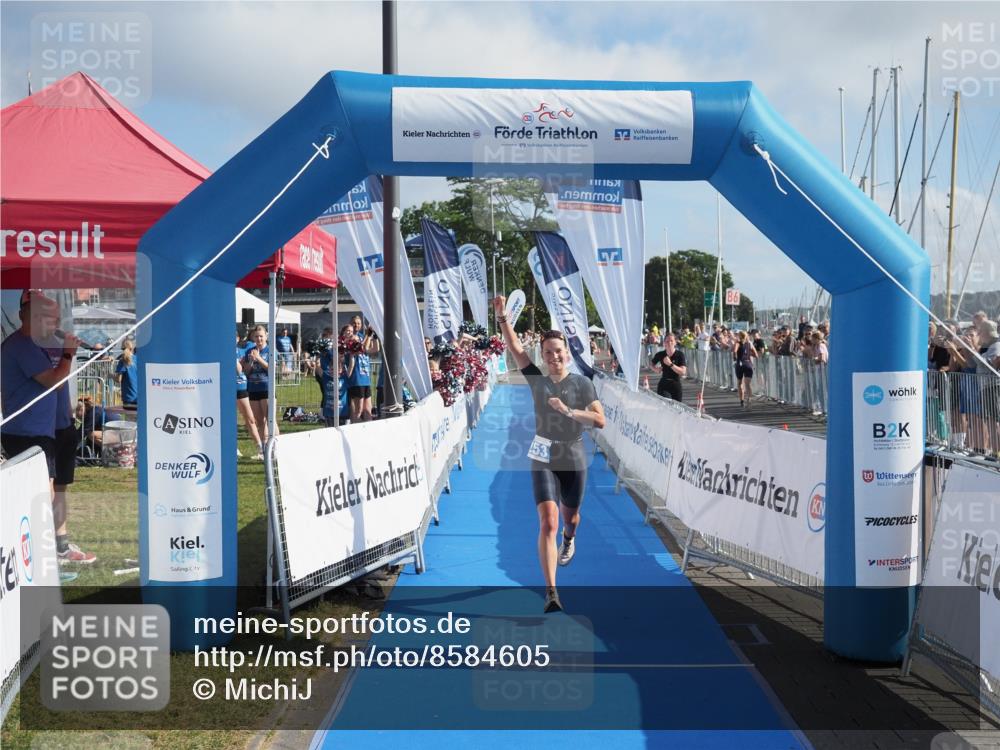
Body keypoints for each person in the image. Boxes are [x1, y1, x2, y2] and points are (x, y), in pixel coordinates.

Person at [493, 295, 606, 613]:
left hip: (573, 457)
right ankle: (551, 591)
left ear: (566, 355)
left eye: (558, 352)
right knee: (548, 522)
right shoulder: (537, 381)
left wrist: (570, 411)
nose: (554, 357)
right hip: (542, 456)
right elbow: (515, 348)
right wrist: (503, 319)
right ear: (542, 357)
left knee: (570, 520)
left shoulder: (582, 384)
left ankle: (571, 538)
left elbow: (600, 420)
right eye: (548, 353)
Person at [1, 291, 96, 564]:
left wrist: (67, 417)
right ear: (23, 315)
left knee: (59, 487)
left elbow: (60, 387)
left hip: (56, 427)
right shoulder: (20, 346)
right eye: (38, 314)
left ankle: (60, 545)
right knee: (43, 490)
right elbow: (53, 381)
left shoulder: (46, 343)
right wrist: (68, 353)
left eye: (50, 316)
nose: (47, 321)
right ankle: (41, 550)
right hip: (27, 432)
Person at [242, 325, 277, 459]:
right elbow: (245, 372)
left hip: (266, 388)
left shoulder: (270, 350)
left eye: (261, 336)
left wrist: (259, 359)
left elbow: (271, 369)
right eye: (256, 336)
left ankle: (276, 449)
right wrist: (250, 361)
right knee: (259, 421)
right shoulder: (250, 351)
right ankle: (263, 450)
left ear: (266, 337)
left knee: (271, 420)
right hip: (253, 388)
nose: (259, 339)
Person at [236, 329, 263, 459]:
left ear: (237, 338)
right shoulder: (221, 349)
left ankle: (260, 448)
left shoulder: (244, 350)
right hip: (226, 388)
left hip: (240, 386)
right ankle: (233, 448)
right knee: (229, 420)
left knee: (250, 419)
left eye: (234, 337)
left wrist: (248, 361)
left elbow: (241, 370)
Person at [651, 333, 687, 402]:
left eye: (671, 341)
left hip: (676, 384)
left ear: (675, 343)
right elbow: (651, 364)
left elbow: (683, 372)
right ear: (664, 343)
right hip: (664, 384)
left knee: (677, 408)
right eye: (667, 341)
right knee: (666, 403)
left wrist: (670, 364)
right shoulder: (660, 354)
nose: (669, 343)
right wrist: (656, 369)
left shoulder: (680, 355)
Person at [732, 330, 756, 408]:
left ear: (739, 336)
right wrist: (748, 353)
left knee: (739, 383)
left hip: (740, 364)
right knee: (747, 384)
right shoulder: (750, 344)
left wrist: (735, 359)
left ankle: (742, 401)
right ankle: (749, 399)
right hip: (748, 363)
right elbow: (756, 355)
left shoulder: (737, 343)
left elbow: (734, 351)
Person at [115, 339, 138, 410]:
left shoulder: (123, 361)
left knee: (129, 420)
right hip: (138, 397)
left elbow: (118, 379)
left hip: (128, 398)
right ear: (132, 348)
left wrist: (110, 375)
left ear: (122, 348)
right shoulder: (138, 359)